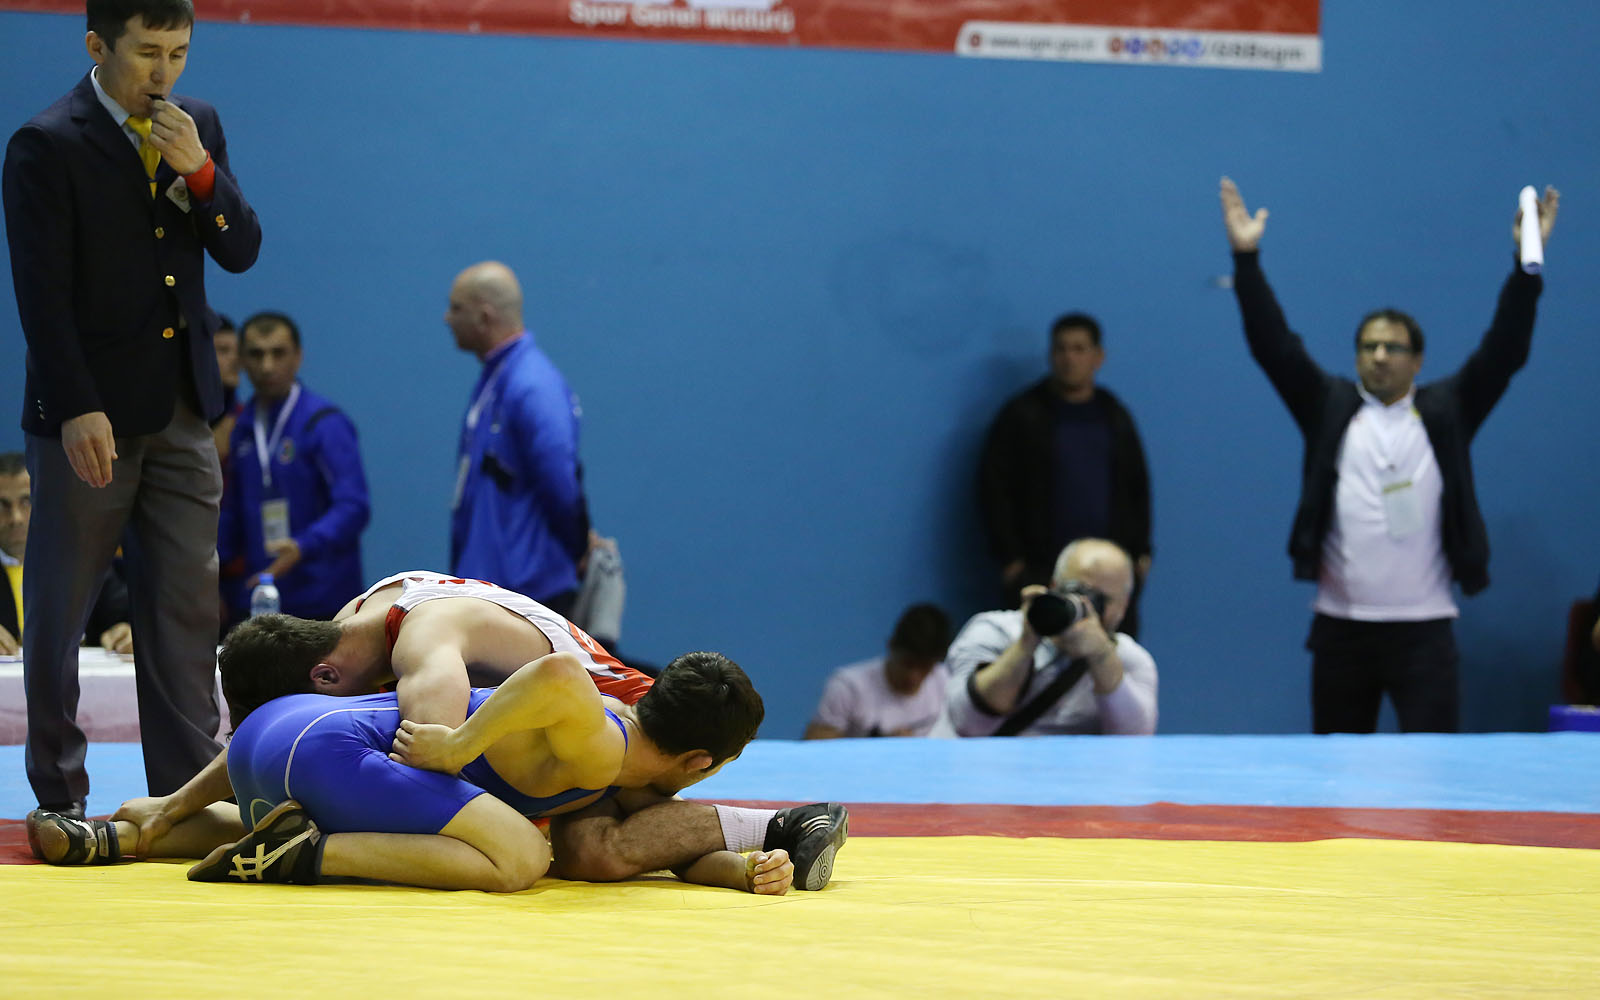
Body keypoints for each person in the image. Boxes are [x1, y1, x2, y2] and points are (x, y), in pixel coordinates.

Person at [33, 571, 849, 890]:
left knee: (577, 841)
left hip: (266, 745)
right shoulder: (601, 742)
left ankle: (131, 830)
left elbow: (641, 844)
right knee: (524, 858)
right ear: (699, 762)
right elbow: (560, 679)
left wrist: (739, 872)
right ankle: (308, 854)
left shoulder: (374, 620)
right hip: (334, 758)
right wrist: (457, 747)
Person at [3, 0, 261, 820]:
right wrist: (76, 406)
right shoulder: (47, 142)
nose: (164, 72)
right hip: (89, 415)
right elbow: (41, 295)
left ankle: (186, 800)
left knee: (187, 608)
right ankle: (60, 797)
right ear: (97, 44)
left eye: (178, 52)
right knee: (60, 609)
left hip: (183, 407)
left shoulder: (198, 124)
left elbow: (241, 248)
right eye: (148, 52)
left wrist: (202, 174)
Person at [1219, 177, 1559, 734]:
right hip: (1341, 630)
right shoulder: (1326, 406)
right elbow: (1272, 344)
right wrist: (1246, 260)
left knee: (1433, 767)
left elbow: (1506, 348)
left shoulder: (1449, 410)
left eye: (1393, 347)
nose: (1378, 356)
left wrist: (1527, 263)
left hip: (1425, 631)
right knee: (1335, 770)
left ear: (1417, 360)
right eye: (1368, 346)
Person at [978, 312, 1153, 637]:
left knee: (1109, 656)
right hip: (1040, 568)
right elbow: (995, 489)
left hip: (1107, 571)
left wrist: (1141, 552)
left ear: (1098, 357)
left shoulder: (1114, 416)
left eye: (1079, 349)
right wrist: (1011, 559)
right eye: (1061, 349)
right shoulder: (1023, 415)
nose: (1069, 358)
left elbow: (1137, 487)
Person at [446, 262, 587, 615]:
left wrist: (579, 545)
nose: (447, 319)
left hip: (527, 594)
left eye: (456, 308)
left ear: (484, 316)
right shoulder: (497, 378)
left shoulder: (532, 385)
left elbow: (560, 482)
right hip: (495, 588)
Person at [217, 311, 370, 624]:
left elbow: (353, 506)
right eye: (256, 354)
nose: (267, 366)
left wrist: (303, 546)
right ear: (242, 360)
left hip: (323, 601)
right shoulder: (243, 428)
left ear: (298, 357)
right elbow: (231, 513)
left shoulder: (323, 423)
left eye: (278, 353)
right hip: (260, 599)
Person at [937, 538, 1157, 737]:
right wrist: (1026, 644)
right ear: (1054, 586)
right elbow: (968, 724)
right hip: (981, 766)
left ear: (1123, 606)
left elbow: (1135, 739)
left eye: (1102, 600)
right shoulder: (993, 631)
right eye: (1077, 591)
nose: (1087, 606)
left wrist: (1101, 656)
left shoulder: (1130, 660)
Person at [0, 452, 133, 656]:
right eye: (3, 505)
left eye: (26, 502)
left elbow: (124, 614)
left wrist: (126, 630)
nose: (15, 518)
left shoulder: (82, 561)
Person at [804, 602, 952, 739]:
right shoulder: (847, 688)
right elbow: (815, 747)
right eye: (907, 664)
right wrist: (880, 747)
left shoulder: (948, 683)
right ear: (890, 646)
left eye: (925, 667)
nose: (913, 676)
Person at [210, 310, 240, 464]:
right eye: (223, 350)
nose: (236, 359)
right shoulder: (177, 422)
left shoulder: (246, 419)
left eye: (238, 351)